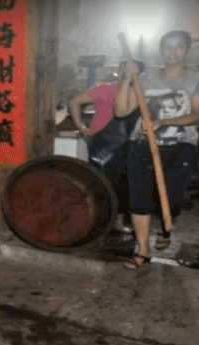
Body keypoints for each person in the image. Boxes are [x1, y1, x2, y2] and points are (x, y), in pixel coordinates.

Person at [114, 30, 199, 269]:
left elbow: (196, 115)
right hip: (141, 146)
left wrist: (163, 122)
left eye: (179, 46)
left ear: (187, 50)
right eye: (168, 46)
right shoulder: (147, 77)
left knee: (171, 198)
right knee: (139, 198)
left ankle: (165, 227)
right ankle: (143, 250)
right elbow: (121, 111)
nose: (173, 51)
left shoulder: (194, 78)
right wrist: (127, 80)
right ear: (160, 50)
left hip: (180, 146)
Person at [69, 61, 144, 235]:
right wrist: (82, 127)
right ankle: (98, 220)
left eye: (134, 72)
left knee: (125, 183)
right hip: (102, 144)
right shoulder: (106, 90)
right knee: (101, 183)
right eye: (125, 71)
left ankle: (117, 220)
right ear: (119, 72)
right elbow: (74, 101)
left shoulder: (142, 94)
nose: (130, 75)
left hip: (130, 143)